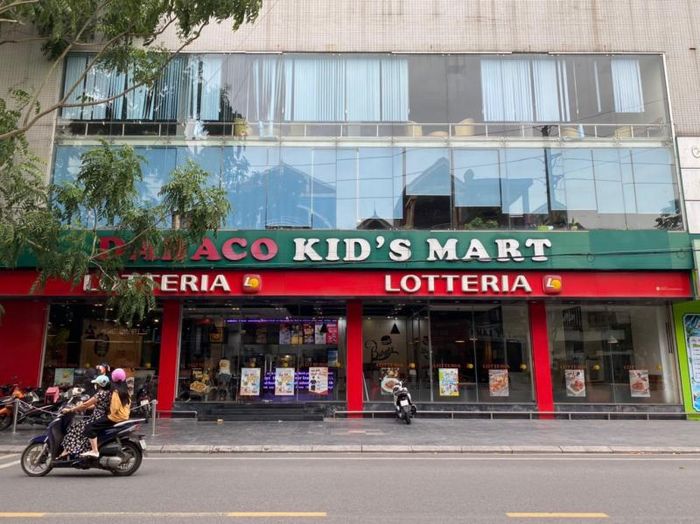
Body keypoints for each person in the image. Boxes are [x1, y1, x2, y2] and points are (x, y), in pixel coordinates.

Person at [80, 368, 131, 458]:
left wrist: (108, 412)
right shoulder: (125, 389)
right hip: (124, 415)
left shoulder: (116, 391)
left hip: (115, 417)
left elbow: (115, 407)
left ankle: (95, 451)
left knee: (89, 427)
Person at [58, 374, 111, 459]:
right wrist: (79, 408)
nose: (95, 385)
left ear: (100, 385)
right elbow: (96, 405)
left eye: (96, 384)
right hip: (99, 416)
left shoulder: (100, 394)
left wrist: (70, 410)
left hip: (97, 417)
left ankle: (68, 450)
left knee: (75, 428)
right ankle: (69, 451)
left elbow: (85, 404)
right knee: (78, 428)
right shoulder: (107, 393)